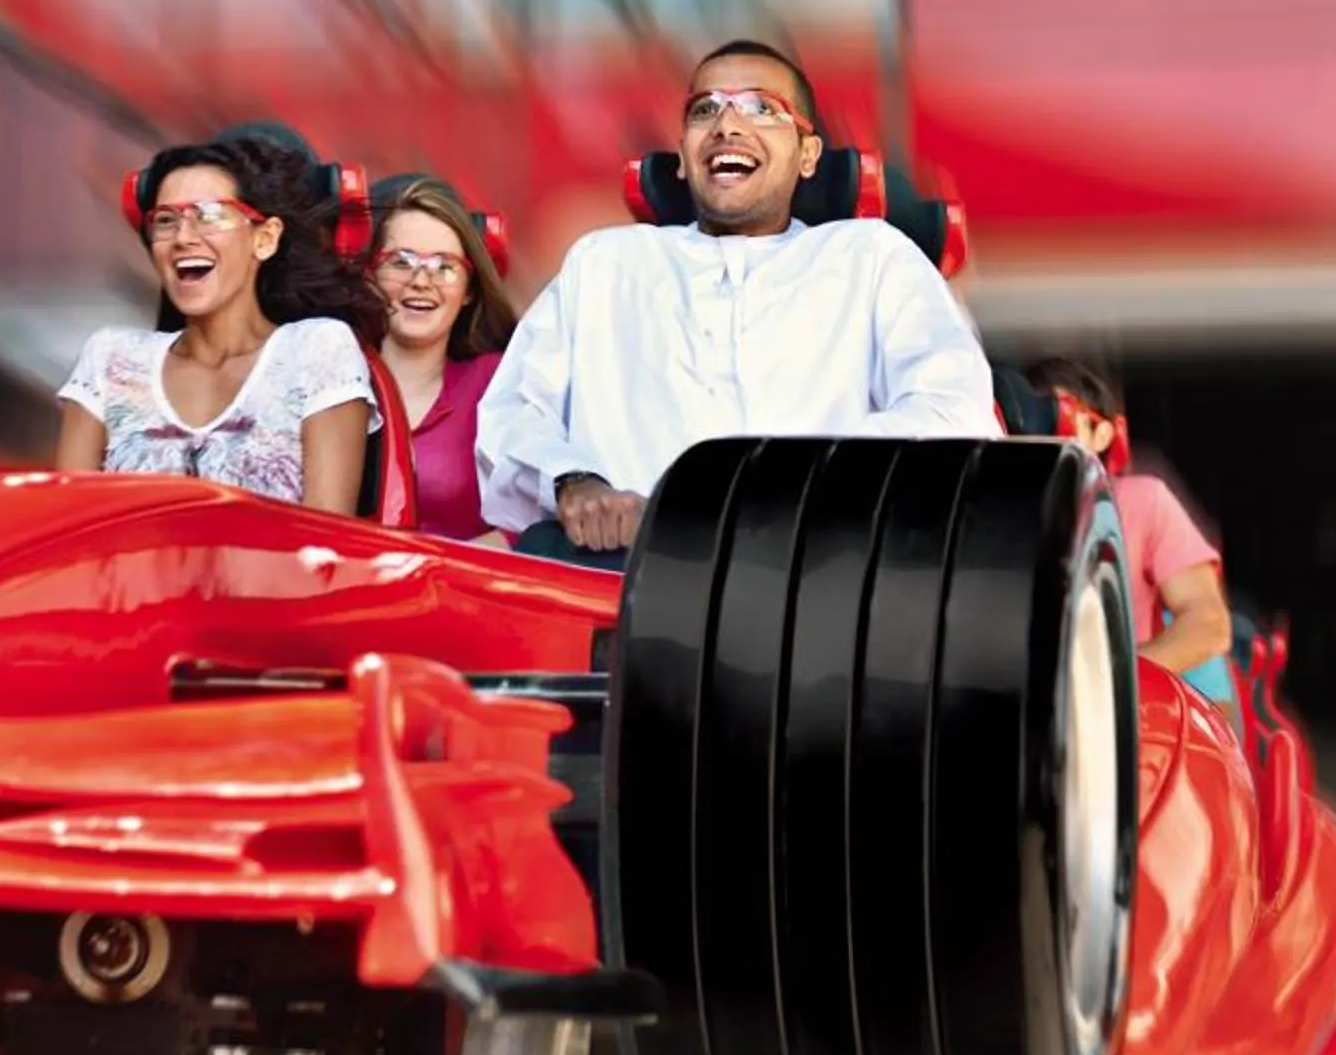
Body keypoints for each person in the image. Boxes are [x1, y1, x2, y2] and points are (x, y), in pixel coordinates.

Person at [476, 39, 1001, 566]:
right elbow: (513, 415)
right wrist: (572, 482)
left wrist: (792, 482)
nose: (727, 125)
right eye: (705, 109)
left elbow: (953, 411)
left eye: (760, 108)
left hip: (816, 576)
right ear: (682, 155)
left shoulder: (872, 256)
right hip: (625, 577)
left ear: (808, 155)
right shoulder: (604, 263)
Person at [55, 133, 389, 510]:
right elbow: (70, 524)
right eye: (165, 220)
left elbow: (328, 540)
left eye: (209, 215)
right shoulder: (109, 359)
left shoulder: (316, 350)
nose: (183, 237)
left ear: (265, 239)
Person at [1023, 356, 1237, 701]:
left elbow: (1208, 622)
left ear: (1102, 432)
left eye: (1056, 417)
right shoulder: (1000, 509)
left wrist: (1110, 683)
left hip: (1121, 712)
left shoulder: (1143, 500)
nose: (1042, 433)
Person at [367, 173, 516, 545]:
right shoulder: (328, 374)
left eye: (444, 266)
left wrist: (437, 573)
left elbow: (527, 519)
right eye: (400, 262)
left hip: (460, 594)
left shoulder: (497, 381)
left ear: (469, 290)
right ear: (368, 273)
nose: (421, 281)